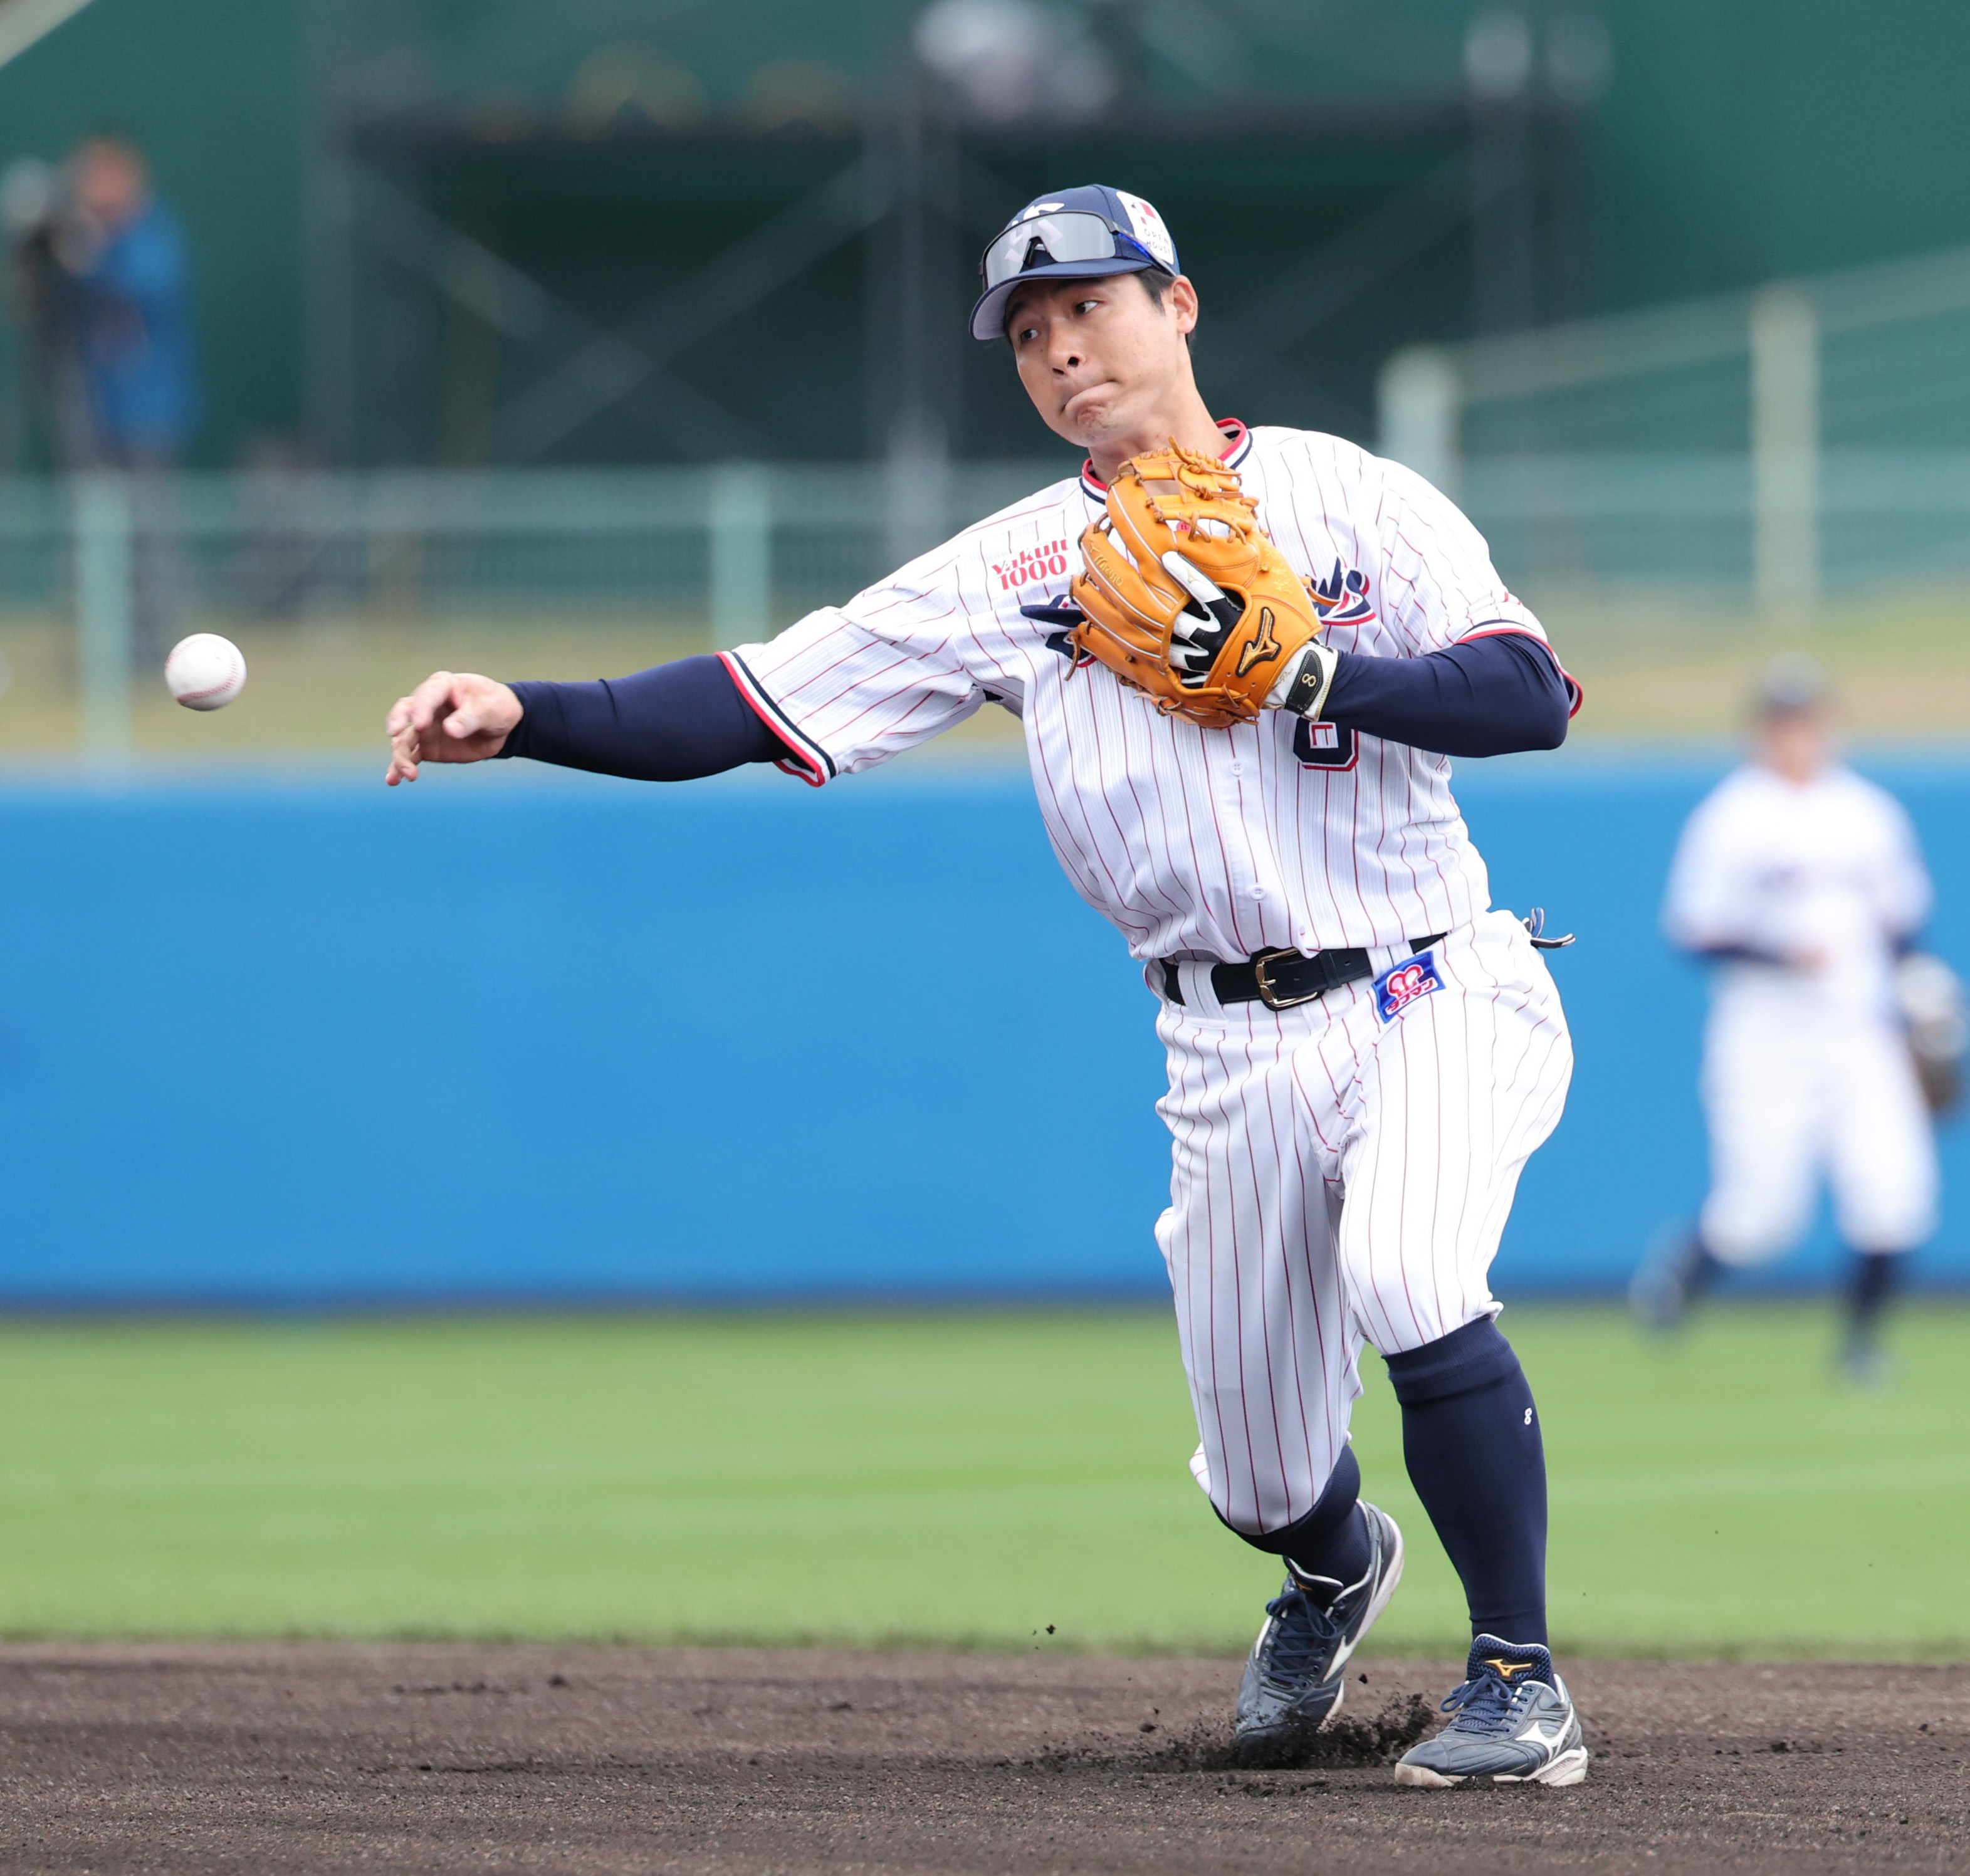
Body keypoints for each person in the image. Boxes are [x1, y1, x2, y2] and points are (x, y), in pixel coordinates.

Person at [385, 185, 1588, 1787]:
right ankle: (1328, 1562)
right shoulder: (1015, 567)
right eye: (1026, 333)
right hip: (1221, 1045)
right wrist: (524, 710)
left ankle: (1519, 1679)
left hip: (1429, 986)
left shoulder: (1347, 496)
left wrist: (1311, 668)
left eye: (1086, 304)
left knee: (1410, 1265)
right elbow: (752, 699)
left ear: (1179, 304)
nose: (1057, 347)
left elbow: (1529, 691)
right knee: (1257, 1470)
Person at [1635, 654, 1949, 1381]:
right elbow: (1692, 929)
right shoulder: (1732, 815)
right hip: (1765, 1035)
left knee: (1893, 1194)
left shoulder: (1866, 811)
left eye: (1807, 720)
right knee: (1759, 1216)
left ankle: (1860, 1346)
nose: (1797, 735)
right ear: (1760, 731)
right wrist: (1781, 954)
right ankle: (1676, 1281)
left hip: (1860, 1032)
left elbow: (1903, 926)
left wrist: (1925, 1006)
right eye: (1782, 722)